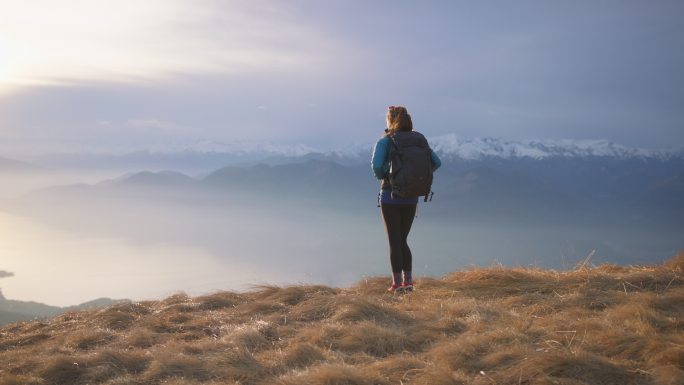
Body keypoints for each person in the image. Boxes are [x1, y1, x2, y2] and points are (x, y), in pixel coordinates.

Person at [371, 106, 441, 293]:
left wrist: (387, 175)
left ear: (390, 121)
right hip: (411, 197)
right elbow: (436, 163)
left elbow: (377, 166)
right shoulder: (418, 140)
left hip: (390, 195)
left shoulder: (386, 141)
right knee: (403, 240)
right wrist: (415, 178)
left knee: (394, 241)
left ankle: (397, 285)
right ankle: (408, 283)